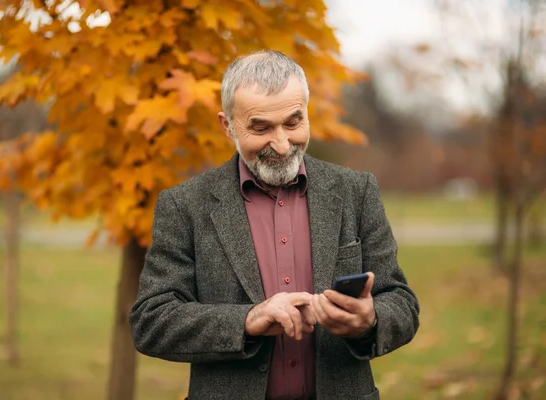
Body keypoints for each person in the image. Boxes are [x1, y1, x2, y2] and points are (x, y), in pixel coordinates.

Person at [129, 50, 420, 400]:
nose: (282, 145)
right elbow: (152, 320)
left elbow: (401, 302)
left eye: (293, 123)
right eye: (261, 127)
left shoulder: (357, 191)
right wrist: (247, 320)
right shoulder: (184, 205)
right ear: (227, 125)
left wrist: (370, 321)